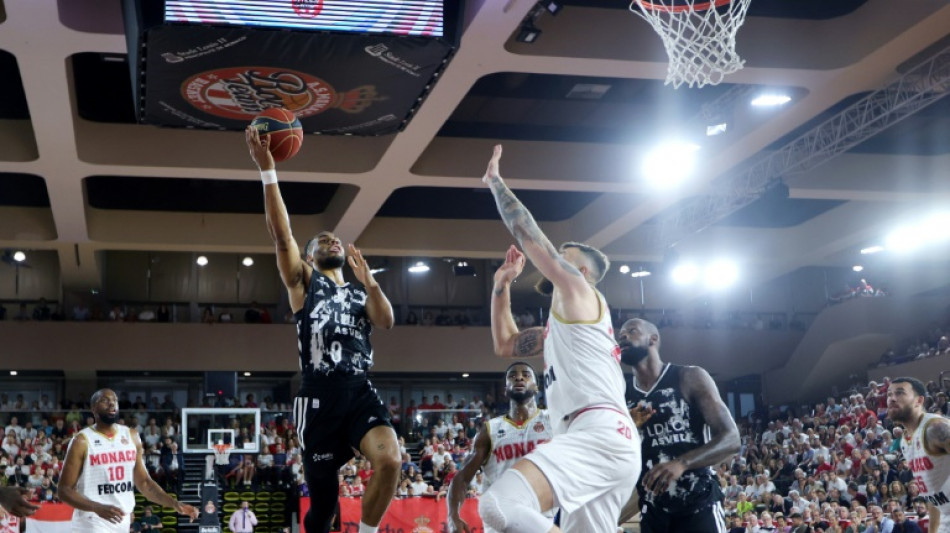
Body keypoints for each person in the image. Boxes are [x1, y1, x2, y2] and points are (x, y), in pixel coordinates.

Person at [246, 127, 401, 533]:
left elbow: (386, 321)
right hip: (317, 398)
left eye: (335, 239)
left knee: (391, 461)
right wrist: (268, 172)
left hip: (359, 390)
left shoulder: (358, 292)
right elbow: (282, 237)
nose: (332, 241)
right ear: (311, 257)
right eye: (322, 241)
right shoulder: (303, 282)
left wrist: (371, 283)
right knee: (325, 510)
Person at [481, 144, 639, 532]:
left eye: (564, 257)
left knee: (498, 508)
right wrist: (501, 286)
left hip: (596, 433)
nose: (556, 261)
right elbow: (506, 345)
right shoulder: (567, 326)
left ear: (581, 271)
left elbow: (530, 234)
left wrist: (495, 183)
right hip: (605, 441)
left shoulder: (582, 292)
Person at [618, 317, 740, 532]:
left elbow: (731, 439)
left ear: (653, 339)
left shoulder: (689, 376)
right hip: (653, 510)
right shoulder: (621, 392)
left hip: (698, 503)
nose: (624, 337)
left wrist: (682, 463)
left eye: (632, 331)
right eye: (620, 336)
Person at [57, 389, 198, 533]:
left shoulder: (131, 436)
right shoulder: (82, 440)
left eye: (114, 400)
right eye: (105, 400)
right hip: (91, 520)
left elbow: (144, 483)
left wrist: (174, 504)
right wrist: (96, 507)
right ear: (93, 408)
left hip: (122, 521)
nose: (112, 403)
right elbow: (64, 490)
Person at [447, 362, 555, 532]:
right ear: (505, 390)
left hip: (542, 514)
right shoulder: (489, 430)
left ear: (536, 387)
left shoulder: (552, 421)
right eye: (512, 376)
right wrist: (453, 517)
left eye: (526, 375)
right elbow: (461, 478)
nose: (519, 377)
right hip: (501, 518)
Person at [888, 377, 950, 533]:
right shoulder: (904, 440)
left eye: (900, 393)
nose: (892, 398)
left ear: (919, 400)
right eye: (889, 394)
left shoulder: (936, 428)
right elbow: (934, 497)